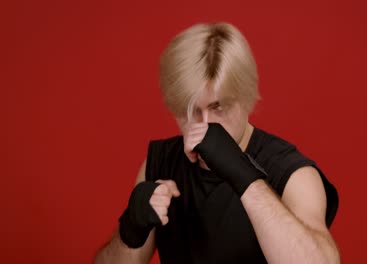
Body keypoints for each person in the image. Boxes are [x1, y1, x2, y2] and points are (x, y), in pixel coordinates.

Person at [95, 22, 339, 264]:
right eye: (190, 111)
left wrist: (241, 173)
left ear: (245, 99)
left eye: (218, 107)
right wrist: (130, 229)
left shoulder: (291, 171)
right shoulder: (162, 162)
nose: (204, 124)